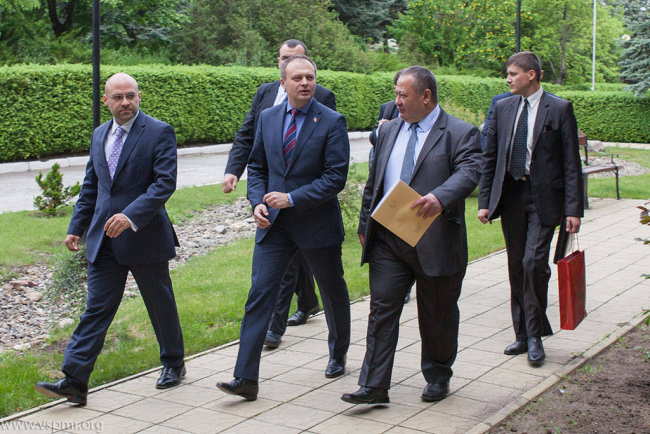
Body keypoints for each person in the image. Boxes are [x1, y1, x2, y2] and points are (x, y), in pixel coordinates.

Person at [34, 73, 185, 405]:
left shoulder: (159, 131)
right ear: (106, 101)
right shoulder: (99, 134)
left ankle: (174, 363)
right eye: (118, 97)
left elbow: (164, 183)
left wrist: (130, 216)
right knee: (96, 308)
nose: (125, 102)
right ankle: (75, 380)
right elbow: (92, 186)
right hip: (103, 239)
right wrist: (76, 226)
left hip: (145, 236)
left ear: (140, 96)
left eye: (130, 95)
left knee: (159, 304)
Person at [341, 66, 482, 405]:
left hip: (435, 240)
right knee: (382, 310)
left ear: (426, 96)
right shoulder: (389, 129)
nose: (397, 102)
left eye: (403, 95)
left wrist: (440, 197)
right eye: (396, 94)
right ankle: (374, 385)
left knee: (437, 314)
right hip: (388, 239)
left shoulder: (460, 133)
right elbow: (375, 182)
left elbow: (470, 171)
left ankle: (438, 375)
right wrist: (364, 224)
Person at [217, 55, 351, 401]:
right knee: (259, 295)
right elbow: (258, 167)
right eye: (297, 78)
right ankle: (245, 378)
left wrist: (292, 198)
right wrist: (256, 202)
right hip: (274, 226)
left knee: (332, 291)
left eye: (310, 77)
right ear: (283, 83)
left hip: (316, 223)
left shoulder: (332, 121)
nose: (305, 83)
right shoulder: (268, 117)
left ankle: (338, 353)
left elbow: (335, 177)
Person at [222, 39, 335, 348]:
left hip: (307, 201)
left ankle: (279, 325)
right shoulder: (265, 94)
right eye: (285, 59)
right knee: (286, 263)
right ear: (280, 67)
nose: (290, 65)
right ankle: (305, 303)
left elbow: (327, 153)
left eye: (297, 61)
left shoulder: (323, 99)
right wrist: (235, 172)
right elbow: (248, 137)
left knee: (295, 265)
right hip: (272, 198)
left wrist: (300, 195)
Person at [478, 51, 583, 366]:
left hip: (544, 200)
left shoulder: (559, 109)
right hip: (511, 196)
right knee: (516, 266)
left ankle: (536, 336)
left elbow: (571, 163)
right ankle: (522, 334)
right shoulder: (502, 107)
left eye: (512, 74)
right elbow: (490, 158)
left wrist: (573, 209)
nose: (507, 79)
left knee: (533, 263)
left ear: (531, 75)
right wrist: (485, 202)